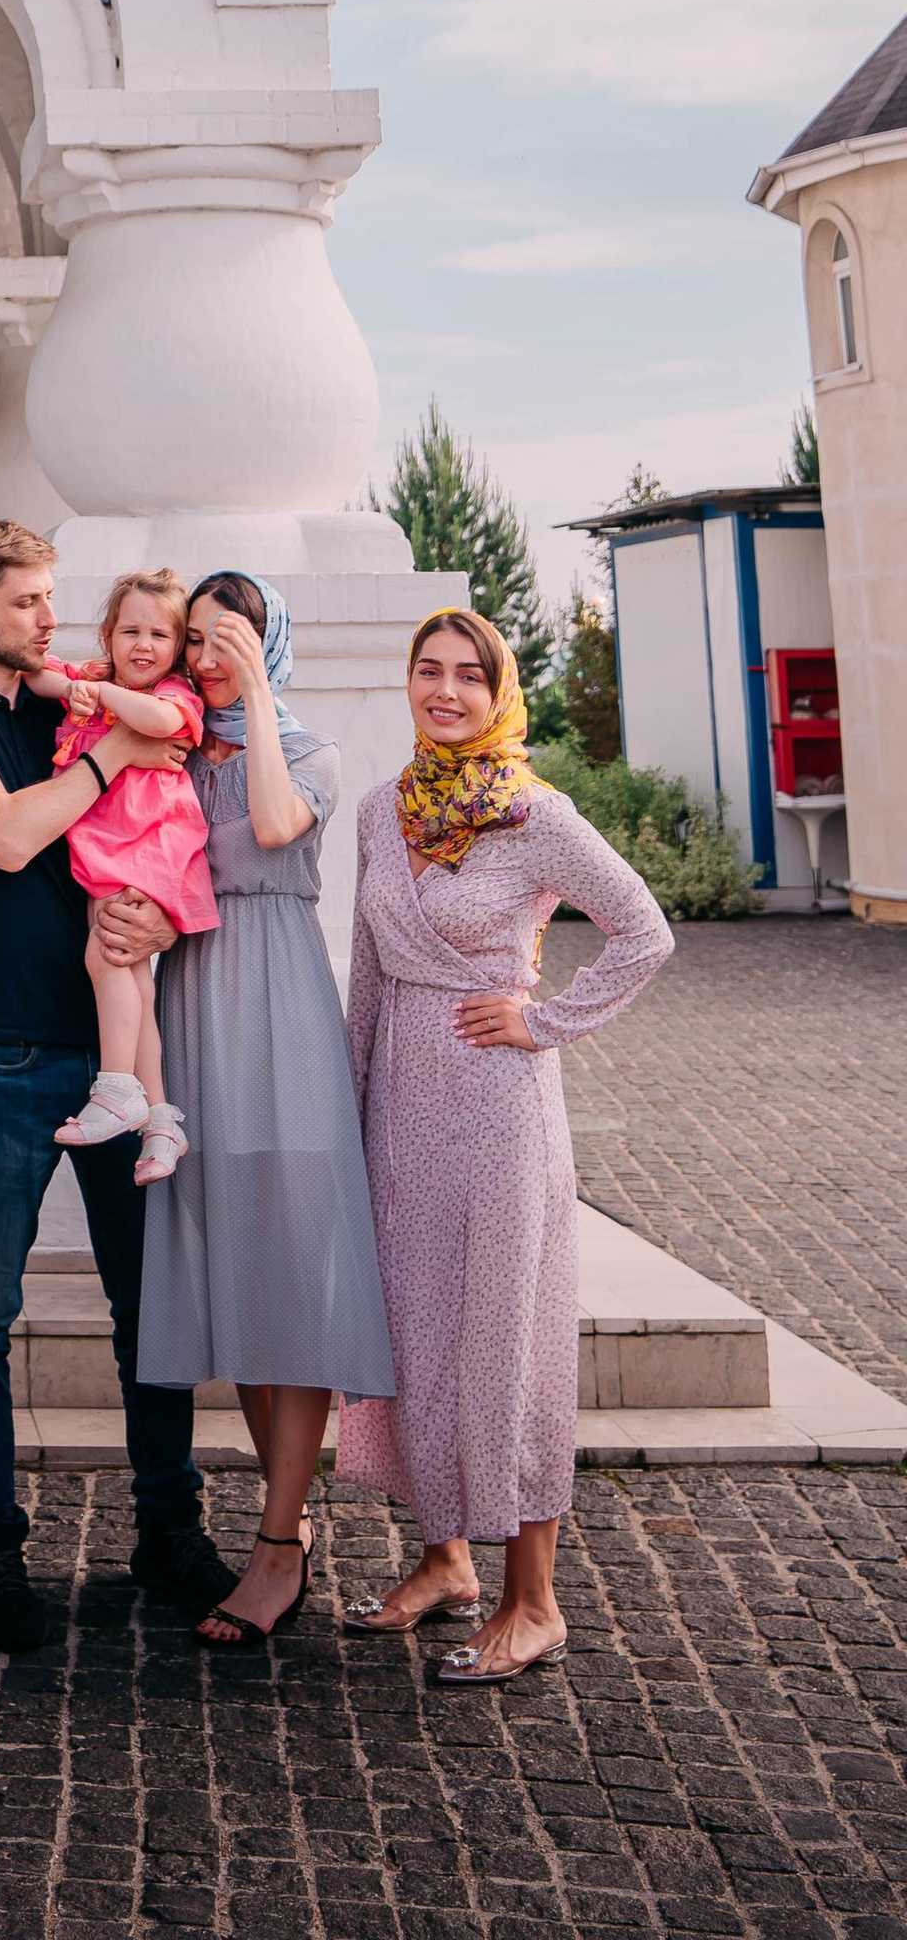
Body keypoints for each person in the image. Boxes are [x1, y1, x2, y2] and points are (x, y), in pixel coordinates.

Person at [0, 518, 231, 1648]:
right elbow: (0, 835)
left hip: (118, 1045)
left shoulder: (73, 696)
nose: (47, 618)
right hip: (4, 1055)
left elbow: (166, 795)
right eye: (26, 600)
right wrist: (104, 763)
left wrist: (150, 908)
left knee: (149, 1309)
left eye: (49, 598)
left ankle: (166, 1528)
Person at [339, 607, 672, 1682]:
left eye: (466, 677)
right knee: (415, 1334)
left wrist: (544, 1018)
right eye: (427, 672)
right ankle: (444, 1563)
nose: (444, 692)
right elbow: (368, 973)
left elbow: (643, 930)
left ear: (497, 693)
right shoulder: (379, 812)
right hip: (398, 1104)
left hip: (495, 1106)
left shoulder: (535, 813)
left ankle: (534, 1601)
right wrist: (347, 1114)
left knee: (504, 1340)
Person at [129, 572, 396, 1649]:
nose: (200, 656)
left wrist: (254, 704)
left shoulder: (313, 750)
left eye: (224, 638)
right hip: (190, 1003)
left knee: (293, 1265)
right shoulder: (171, 748)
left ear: (265, 640)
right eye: (194, 639)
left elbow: (278, 824)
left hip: (280, 1012)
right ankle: (279, 1529)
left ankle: (277, 1544)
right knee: (236, 1273)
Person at [26, 572, 215, 1169]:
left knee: (105, 956)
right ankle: (158, 1117)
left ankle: (115, 1088)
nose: (143, 645)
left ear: (179, 646)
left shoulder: (174, 694)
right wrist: (76, 684)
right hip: (109, 847)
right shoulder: (98, 680)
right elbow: (36, 674)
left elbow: (159, 724)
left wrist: (100, 695)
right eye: (129, 630)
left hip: (147, 841)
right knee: (130, 973)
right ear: (107, 636)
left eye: (161, 634)